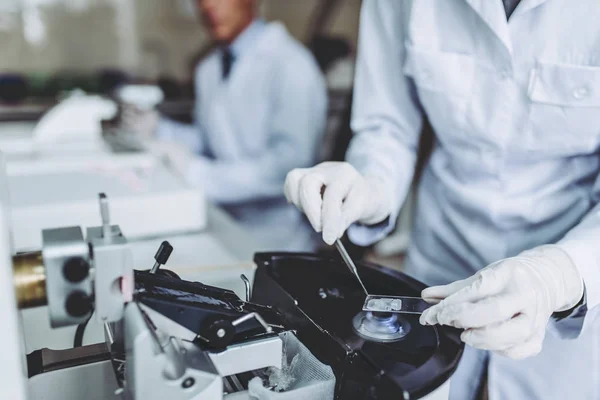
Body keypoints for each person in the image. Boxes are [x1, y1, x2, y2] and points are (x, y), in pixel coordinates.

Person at [284, 1, 599, 399]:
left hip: (572, 268)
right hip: (441, 258)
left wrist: (556, 277)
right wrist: (370, 182)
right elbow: (388, 125)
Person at [123, 0, 327, 251]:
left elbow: (288, 166)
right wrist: (158, 129)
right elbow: (212, 140)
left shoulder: (292, 64)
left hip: (277, 238)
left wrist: (200, 174)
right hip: (218, 224)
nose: (208, 6)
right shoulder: (208, 68)